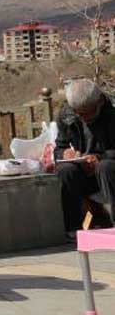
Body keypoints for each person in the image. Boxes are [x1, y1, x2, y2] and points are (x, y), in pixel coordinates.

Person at [54, 78, 115, 238]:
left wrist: (100, 157)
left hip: (109, 170)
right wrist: (65, 153)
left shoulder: (112, 113)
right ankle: (73, 230)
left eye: (86, 112)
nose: (82, 117)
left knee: (105, 166)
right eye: (78, 113)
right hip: (82, 171)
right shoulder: (67, 115)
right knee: (65, 170)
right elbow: (59, 147)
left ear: (99, 102)